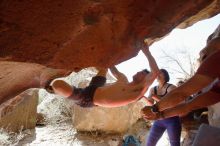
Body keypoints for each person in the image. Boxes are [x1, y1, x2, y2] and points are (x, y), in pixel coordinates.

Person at [46, 43, 160, 108]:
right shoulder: (123, 79)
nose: (139, 72)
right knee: (103, 68)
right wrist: (107, 57)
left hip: (88, 98)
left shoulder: (138, 91)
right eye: (140, 71)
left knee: (57, 84)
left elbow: (155, 73)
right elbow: (112, 68)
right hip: (96, 87)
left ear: (146, 79)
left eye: (142, 74)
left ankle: (52, 89)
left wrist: (146, 51)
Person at [141, 35, 220, 120]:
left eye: (204, 54)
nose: (200, 56)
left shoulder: (216, 59)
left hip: (171, 118)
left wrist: (155, 108)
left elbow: (181, 95)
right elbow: (189, 105)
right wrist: (159, 114)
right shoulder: (217, 89)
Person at [144, 69, 181, 146]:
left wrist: (154, 96)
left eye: (160, 73)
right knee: (149, 143)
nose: (158, 75)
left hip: (172, 119)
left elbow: (171, 103)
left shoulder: (171, 87)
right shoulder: (152, 89)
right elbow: (151, 104)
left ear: (165, 75)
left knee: (175, 144)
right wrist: (142, 96)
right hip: (159, 119)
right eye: (157, 73)